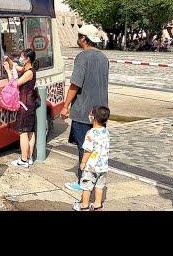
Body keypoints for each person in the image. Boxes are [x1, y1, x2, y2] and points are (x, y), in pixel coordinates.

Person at [61, 24, 109, 191]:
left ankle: (84, 183)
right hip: (101, 111)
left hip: (84, 110)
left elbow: (75, 84)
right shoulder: (104, 58)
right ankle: (95, 180)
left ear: (83, 39)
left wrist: (65, 106)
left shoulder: (82, 57)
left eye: (80, 35)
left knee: (85, 148)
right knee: (97, 148)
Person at [3, 49, 37, 168]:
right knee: (30, 132)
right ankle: (29, 158)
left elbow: (14, 83)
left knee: (23, 132)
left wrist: (8, 71)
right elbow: (15, 66)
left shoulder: (29, 73)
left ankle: (23, 160)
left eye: (22, 57)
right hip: (30, 105)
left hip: (25, 105)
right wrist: (8, 59)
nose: (20, 59)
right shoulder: (27, 69)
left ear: (27, 59)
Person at [72, 106, 111, 211]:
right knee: (99, 186)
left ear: (93, 117)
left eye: (90, 114)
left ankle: (84, 205)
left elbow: (88, 150)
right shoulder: (106, 131)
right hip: (103, 166)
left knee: (86, 186)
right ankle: (98, 204)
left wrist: (83, 162)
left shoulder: (90, 133)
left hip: (91, 166)